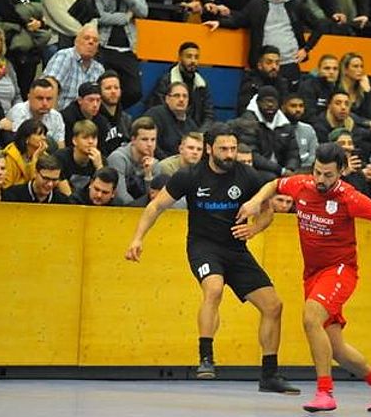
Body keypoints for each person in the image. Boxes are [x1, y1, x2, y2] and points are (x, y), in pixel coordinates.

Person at [236, 142, 371, 412]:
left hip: (340, 271)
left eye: (328, 175)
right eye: (317, 172)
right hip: (313, 274)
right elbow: (274, 185)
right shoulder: (302, 184)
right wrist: (255, 202)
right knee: (337, 349)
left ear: (341, 172)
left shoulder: (350, 198)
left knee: (311, 318)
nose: (320, 179)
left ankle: (325, 392)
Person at [124, 122, 299, 394]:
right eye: (223, 149)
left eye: (232, 148)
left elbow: (267, 211)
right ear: (209, 149)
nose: (229, 154)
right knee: (214, 288)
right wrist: (137, 238)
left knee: (273, 306)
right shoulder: (189, 176)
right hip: (203, 246)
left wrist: (255, 229)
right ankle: (205, 357)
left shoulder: (247, 175)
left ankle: (269, 375)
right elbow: (156, 206)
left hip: (236, 250)